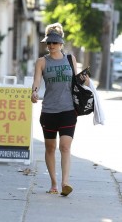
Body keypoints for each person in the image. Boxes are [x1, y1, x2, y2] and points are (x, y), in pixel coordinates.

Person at [31, 22, 89, 196]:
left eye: (54, 43)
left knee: (65, 146)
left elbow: (77, 81)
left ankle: (65, 182)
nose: (51, 46)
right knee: (50, 148)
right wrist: (33, 93)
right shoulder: (42, 62)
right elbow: (36, 82)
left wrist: (85, 79)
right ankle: (54, 183)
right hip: (49, 111)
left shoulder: (70, 59)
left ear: (61, 43)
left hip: (68, 109)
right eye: (48, 42)